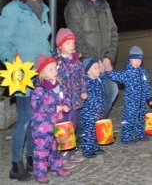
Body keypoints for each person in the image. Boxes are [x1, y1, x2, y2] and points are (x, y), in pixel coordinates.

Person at [0, 0, 51, 181]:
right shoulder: (13, 10)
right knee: (25, 119)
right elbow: (3, 42)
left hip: (41, 72)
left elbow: (44, 42)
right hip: (21, 73)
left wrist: (51, 65)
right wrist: (13, 61)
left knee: (38, 118)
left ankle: (32, 158)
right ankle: (15, 165)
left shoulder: (43, 8)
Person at [64, 0, 119, 119]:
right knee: (88, 99)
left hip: (104, 61)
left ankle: (97, 125)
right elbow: (76, 36)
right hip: (85, 62)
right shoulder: (75, 4)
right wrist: (95, 61)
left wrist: (109, 58)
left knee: (111, 91)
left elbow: (113, 31)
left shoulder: (104, 4)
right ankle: (86, 130)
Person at [31, 55, 71, 183]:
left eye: (55, 68)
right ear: (42, 72)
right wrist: (55, 108)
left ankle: (57, 168)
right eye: (51, 69)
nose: (55, 71)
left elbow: (66, 97)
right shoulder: (39, 89)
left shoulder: (58, 85)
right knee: (42, 151)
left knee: (56, 148)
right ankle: (40, 173)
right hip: (42, 127)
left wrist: (66, 105)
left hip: (57, 124)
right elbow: (37, 106)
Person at [104, 46, 152, 145]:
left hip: (141, 103)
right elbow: (117, 76)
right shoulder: (128, 73)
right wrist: (109, 71)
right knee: (129, 119)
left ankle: (139, 134)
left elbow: (147, 86)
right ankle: (126, 138)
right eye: (135, 59)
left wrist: (150, 98)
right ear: (130, 59)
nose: (137, 61)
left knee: (140, 118)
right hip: (131, 102)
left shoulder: (143, 73)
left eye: (139, 59)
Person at [54, 28, 87, 168]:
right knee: (64, 128)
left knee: (73, 125)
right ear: (60, 45)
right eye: (68, 43)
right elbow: (55, 82)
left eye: (73, 43)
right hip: (64, 102)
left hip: (75, 100)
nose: (72, 46)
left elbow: (82, 77)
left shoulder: (76, 62)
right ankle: (62, 155)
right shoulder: (57, 63)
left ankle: (71, 151)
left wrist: (84, 90)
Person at [80, 58, 107, 158]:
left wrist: (103, 71)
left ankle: (95, 147)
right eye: (95, 68)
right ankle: (87, 150)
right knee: (89, 132)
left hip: (98, 111)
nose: (98, 70)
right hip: (89, 113)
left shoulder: (98, 80)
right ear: (88, 71)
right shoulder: (87, 83)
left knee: (96, 130)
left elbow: (103, 81)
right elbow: (89, 99)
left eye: (98, 67)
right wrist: (96, 107)